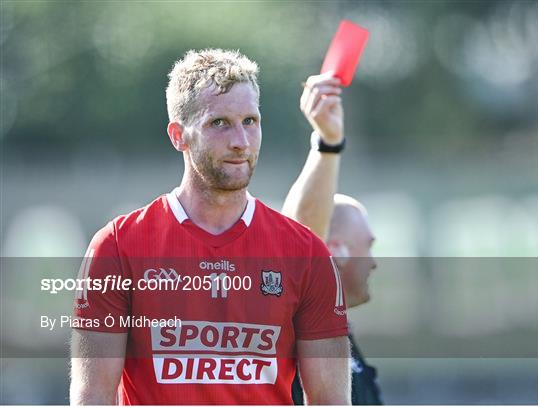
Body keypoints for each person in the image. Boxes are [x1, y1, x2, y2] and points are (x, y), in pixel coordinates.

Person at [69, 49, 351, 405]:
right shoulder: (117, 246)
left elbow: (331, 400)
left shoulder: (307, 253)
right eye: (219, 123)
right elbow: (92, 396)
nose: (241, 141)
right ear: (178, 136)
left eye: (250, 121)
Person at [282, 73, 383, 404]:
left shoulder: (342, 335)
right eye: (367, 246)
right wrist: (327, 143)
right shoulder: (297, 325)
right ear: (335, 250)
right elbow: (301, 239)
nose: (374, 263)